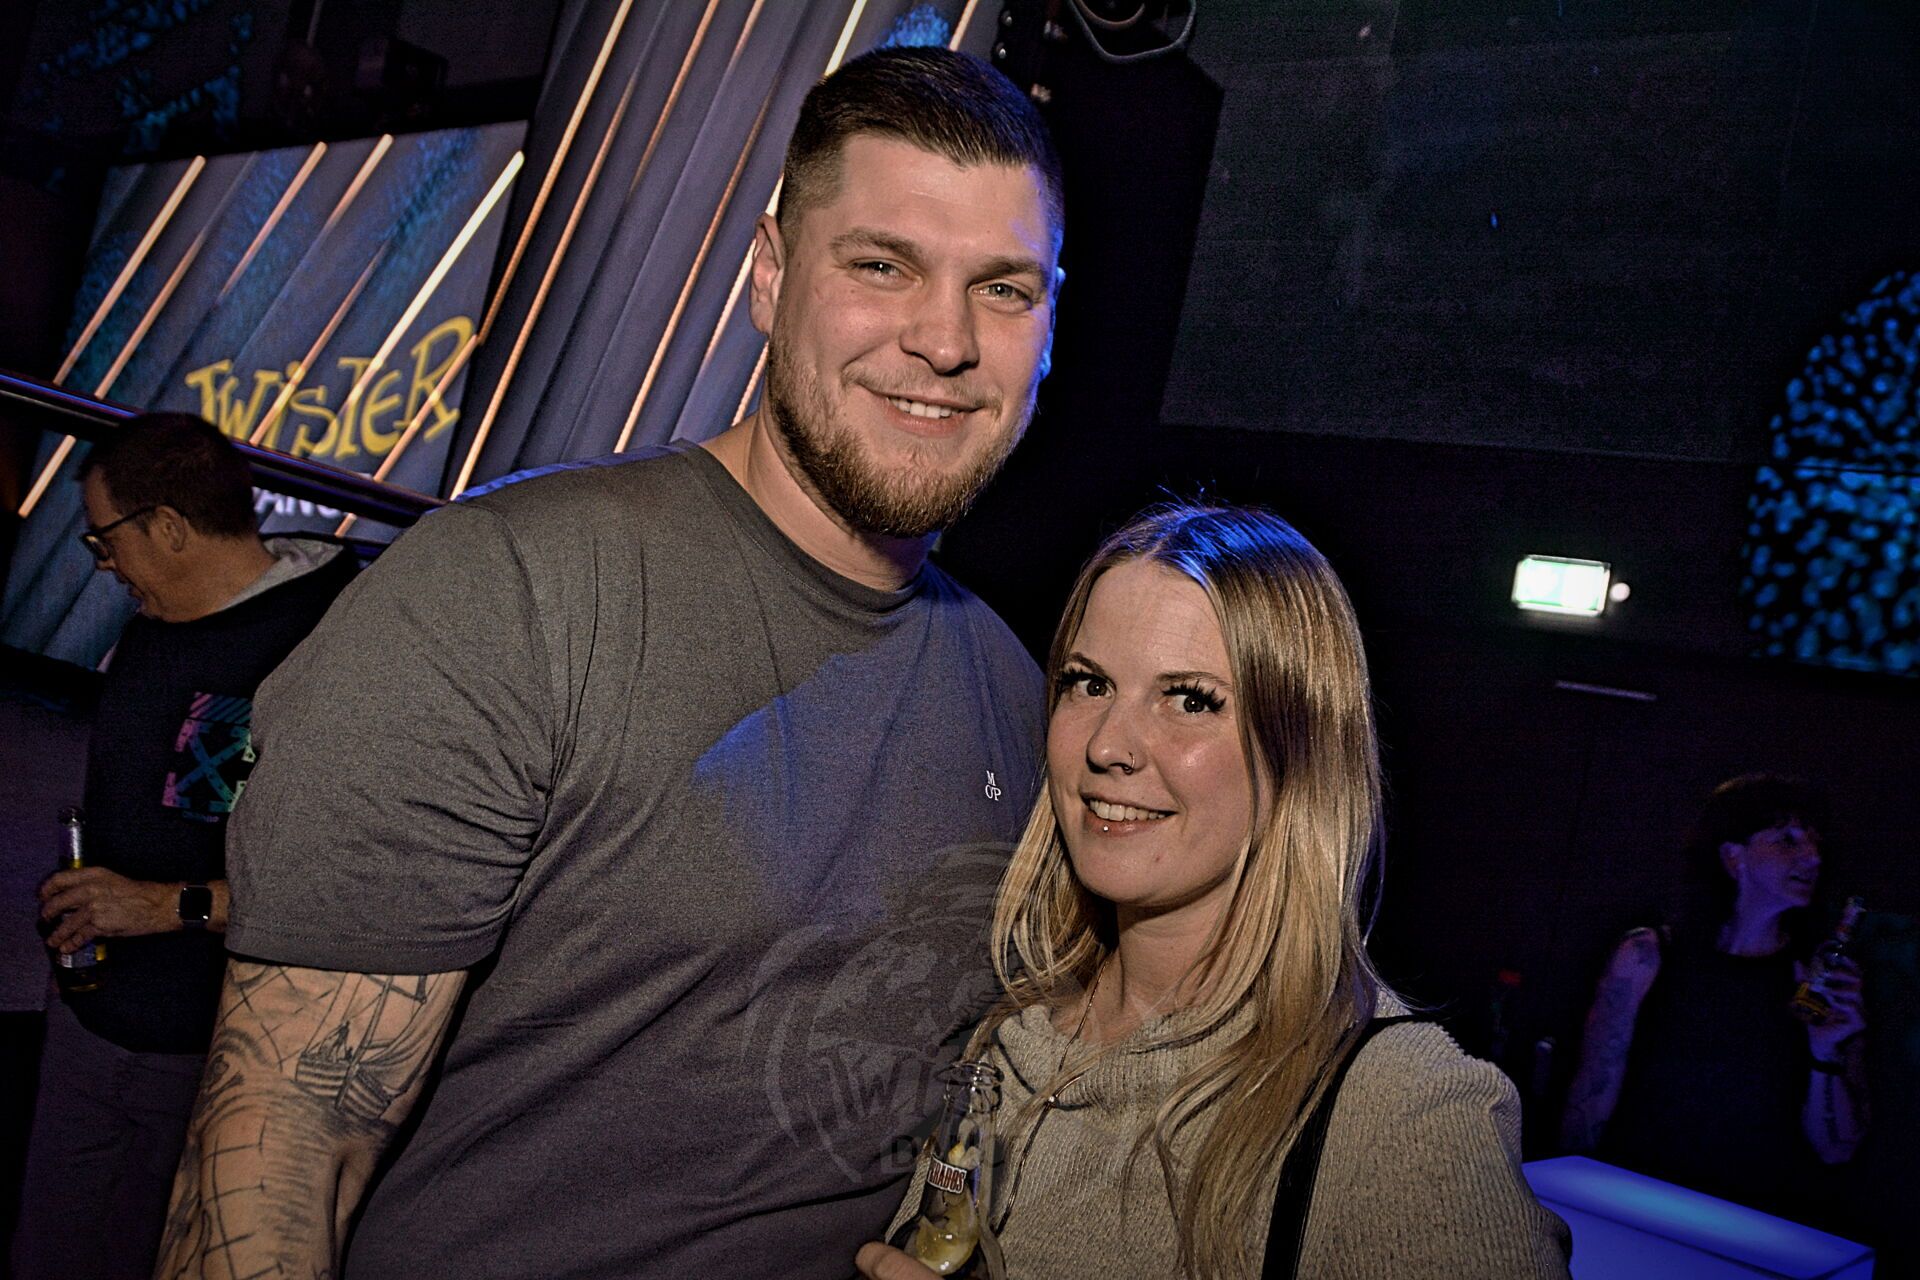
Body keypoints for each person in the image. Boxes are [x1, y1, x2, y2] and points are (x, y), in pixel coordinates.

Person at [156, 47, 1063, 1279]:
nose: (946, 340)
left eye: (1003, 288)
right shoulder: (508, 592)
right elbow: (285, 1149)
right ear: (770, 274)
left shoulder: (1021, 692)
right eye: (882, 265)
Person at [856, 504, 1572, 1280]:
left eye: (1190, 699)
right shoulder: (1008, 1037)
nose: (1107, 744)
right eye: (1089, 683)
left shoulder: (1404, 1112)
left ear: (1298, 754)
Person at [12, 412, 356, 1279]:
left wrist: (164, 907)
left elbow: (351, 887)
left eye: (105, 540)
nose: (103, 564)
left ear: (167, 526)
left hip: (215, 1060)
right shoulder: (154, 627)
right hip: (92, 1016)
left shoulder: (327, 650)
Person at [1559, 774, 1868, 1219]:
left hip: (1751, 1220)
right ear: (1732, 856)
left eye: (1814, 842)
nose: (1812, 856)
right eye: (1786, 840)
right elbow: (1591, 1100)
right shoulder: (1648, 955)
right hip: (1634, 1202)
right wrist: (1566, 1207)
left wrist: (1825, 1055)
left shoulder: (1818, 977)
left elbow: (1837, 1149)